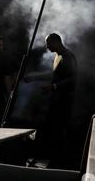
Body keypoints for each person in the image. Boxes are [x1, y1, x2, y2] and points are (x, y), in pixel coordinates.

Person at [25, 33, 77, 167]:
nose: (47, 46)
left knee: (59, 129)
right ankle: (54, 158)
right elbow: (55, 75)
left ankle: (61, 161)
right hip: (57, 99)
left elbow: (73, 79)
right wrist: (35, 77)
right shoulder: (58, 56)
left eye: (48, 43)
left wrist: (54, 86)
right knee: (53, 128)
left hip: (64, 100)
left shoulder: (67, 56)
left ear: (56, 42)